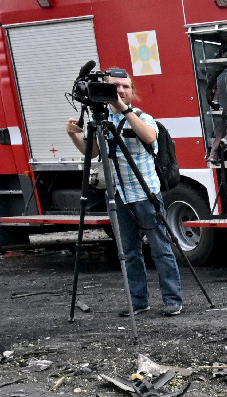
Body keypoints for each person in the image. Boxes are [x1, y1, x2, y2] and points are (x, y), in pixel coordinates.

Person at [63, 67, 183, 315]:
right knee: (129, 253)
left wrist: (123, 109)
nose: (120, 90)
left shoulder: (142, 116)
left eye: (125, 86)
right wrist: (74, 136)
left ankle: (173, 300)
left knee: (160, 248)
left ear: (132, 91)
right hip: (118, 196)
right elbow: (94, 153)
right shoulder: (102, 122)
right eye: (114, 86)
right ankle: (139, 301)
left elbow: (150, 137)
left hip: (145, 193)